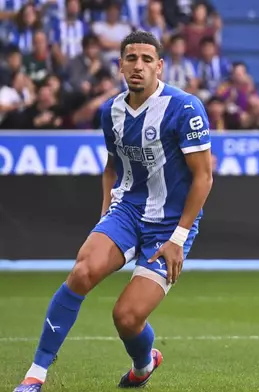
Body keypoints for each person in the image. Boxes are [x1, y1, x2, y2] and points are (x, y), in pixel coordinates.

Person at [13, 30, 213, 392]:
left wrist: (178, 239)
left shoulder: (184, 108)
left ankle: (143, 362)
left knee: (126, 317)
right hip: (128, 210)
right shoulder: (111, 111)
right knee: (82, 272)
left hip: (168, 227)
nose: (138, 66)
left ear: (160, 67)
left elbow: (204, 177)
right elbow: (112, 165)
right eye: (131, 58)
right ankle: (36, 374)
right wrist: (107, 212)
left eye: (147, 59)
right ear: (120, 65)